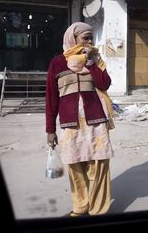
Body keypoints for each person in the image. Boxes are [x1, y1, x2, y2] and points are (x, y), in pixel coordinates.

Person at [45, 22, 114, 217]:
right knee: (74, 166)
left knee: (100, 166)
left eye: (91, 38)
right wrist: (50, 130)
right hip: (70, 125)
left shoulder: (96, 59)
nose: (89, 42)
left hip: (96, 122)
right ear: (73, 39)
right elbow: (51, 98)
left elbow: (105, 84)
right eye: (85, 38)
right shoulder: (57, 63)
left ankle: (99, 211)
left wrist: (91, 63)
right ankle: (81, 207)